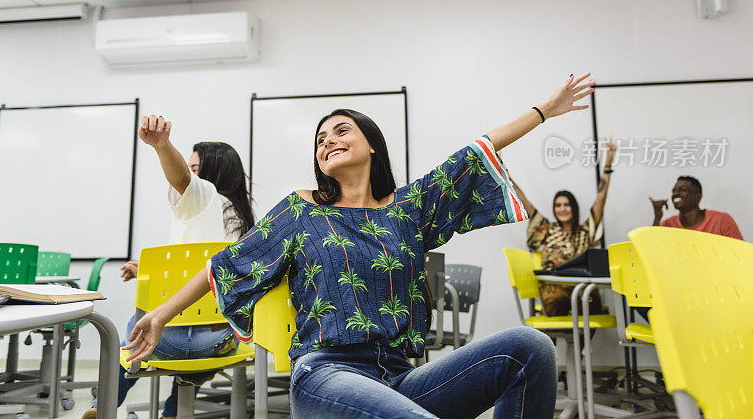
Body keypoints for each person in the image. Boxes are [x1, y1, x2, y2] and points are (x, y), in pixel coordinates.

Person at [124, 73, 595, 419]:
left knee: (529, 348)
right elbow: (225, 267)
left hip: (399, 375)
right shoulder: (301, 211)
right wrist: (161, 314)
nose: (328, 141)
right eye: (320, 140)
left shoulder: (408, 208)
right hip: (328, 375)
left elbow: (474, 153)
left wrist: (544, 111)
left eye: (341, 131)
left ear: (372, 144)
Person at [83, 115, 255, 419]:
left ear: (212, 173)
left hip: (165, 341)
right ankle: (174, 412)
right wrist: (153, 271)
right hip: (222, 344)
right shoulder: (245, 222)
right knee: (203, 313)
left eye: (196, 168)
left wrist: (163, 148)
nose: (189, 174)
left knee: (137, 329)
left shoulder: (204, 195)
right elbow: (209, 279)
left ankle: (104, 406)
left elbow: (182, 180)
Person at [513, 138, 616, 316]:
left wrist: (607, 164)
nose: (562, 209)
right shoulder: (547, 228)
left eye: (566, 204)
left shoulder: (585, 231)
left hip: (582, 288)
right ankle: (553, 343)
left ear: (573, 207)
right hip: (555, 289)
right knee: (556, 304)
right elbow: (523, 200)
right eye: (558, 205)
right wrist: (502, 170)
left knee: (592, 307)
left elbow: (600, 199)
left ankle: (580, 344)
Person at [649, 176, 743, 240]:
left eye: (683, 190)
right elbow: (651, 250)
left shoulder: (722, 220)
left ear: (698, 196)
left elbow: (739, 254)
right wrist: (657, 217)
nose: (675, 194)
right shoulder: (667, 224)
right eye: (674, 191)